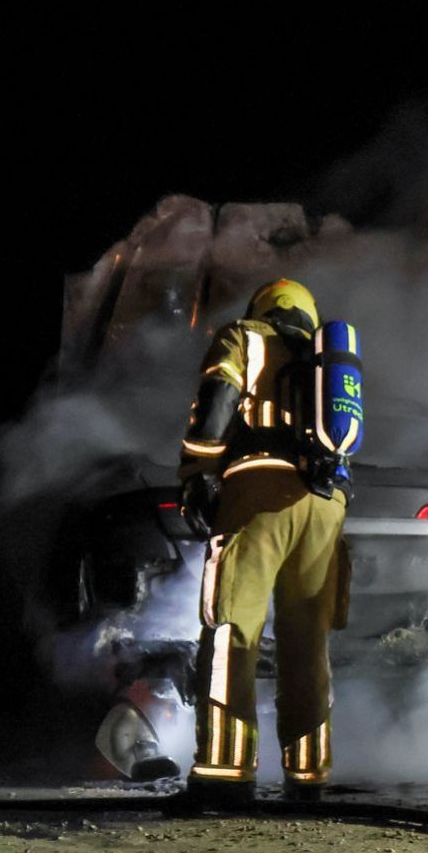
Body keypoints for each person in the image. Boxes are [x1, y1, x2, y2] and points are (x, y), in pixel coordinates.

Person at [177, 277, 350, 804]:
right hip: (325, 505)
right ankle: (308, 778)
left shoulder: (245, 336)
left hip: (259, 492)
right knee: (307, 641)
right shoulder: (328, 363)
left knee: (233, 630)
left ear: (263, 307)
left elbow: (219, 398)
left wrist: (197, 470)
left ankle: (224, 774)